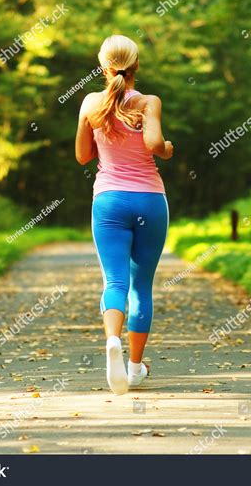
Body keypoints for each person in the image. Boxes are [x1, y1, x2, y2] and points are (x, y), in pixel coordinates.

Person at [75, 35, 173, 395]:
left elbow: (83, 156)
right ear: (137, 67)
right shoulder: (149, 102)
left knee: (115, 282)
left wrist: (91, 124)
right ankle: (134, 368)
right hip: (149, 201)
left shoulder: (90, 103)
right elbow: (154, 145)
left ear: (103, 68)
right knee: (141, 285)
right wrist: (168, 148)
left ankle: (112, 340)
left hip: (109, 201)